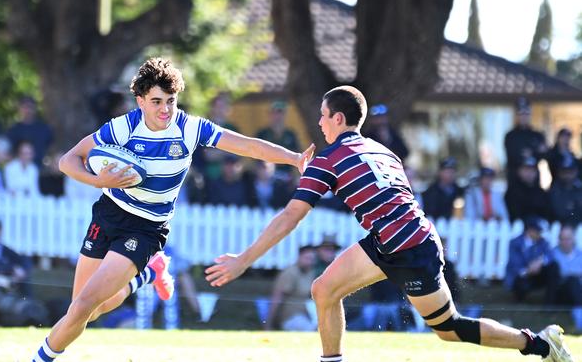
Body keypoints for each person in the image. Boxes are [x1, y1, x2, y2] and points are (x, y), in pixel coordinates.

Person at [205, 86, 573, 362]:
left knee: (450, 329)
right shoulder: (382, 150)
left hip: (409, 249)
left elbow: (290, 217)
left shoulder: (329, 159)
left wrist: (243, 259)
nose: (318, 121)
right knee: (324, 290)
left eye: (322, 114)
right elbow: (393, 199)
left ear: (338, 118)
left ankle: (540, 344)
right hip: (396, 240)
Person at [30, 57, 314, 361]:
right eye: (156, 101)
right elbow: (67, 161)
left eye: (171, 100)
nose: (165, 109)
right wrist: (98, 180)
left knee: (84, 305)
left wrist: (295, 158)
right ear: (140, 101)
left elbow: (246, 145)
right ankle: (148, 274)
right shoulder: (123, 127)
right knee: (83, 309)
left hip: (146, 228)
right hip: (108, 213)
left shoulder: (189, 128)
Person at [504, 216, 559, 304]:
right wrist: (528, 270)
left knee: (553, 266)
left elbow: (551, 255)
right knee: (521, 284)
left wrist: (540, 262)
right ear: (530, 230)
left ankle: (550, 302)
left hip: (536, 275)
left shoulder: (542, 242)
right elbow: (516, 266)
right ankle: (519, 298)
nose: (540, 234)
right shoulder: (515, 243)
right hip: (521, 277)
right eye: (538, 231)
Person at [264, 245, 317, 331]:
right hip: (290, 318)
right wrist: (268, 324)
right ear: (299, 257)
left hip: (307, 315)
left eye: (312, 259)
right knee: (311, 330)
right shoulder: (290, 273)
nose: (310, 262)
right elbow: (277, 298)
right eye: (307, 258)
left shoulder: (310, 273)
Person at [504, 97, 547, 187]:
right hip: (515, 184)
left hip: (534, 184)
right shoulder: (510, 136)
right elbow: (513, 156)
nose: (524, 117)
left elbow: (544, 153)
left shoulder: (537, 135)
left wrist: (532, 152)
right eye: (521, 114)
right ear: (517, 115)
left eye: (526, 113)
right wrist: (535, 151)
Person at [7, 96, 54, 167]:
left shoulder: (44, 128)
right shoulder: (14, 129)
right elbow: (10, 152)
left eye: (30, 107)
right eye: (25, 107)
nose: (28, 110)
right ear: (19, 109)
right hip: (20, 169)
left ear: (35, 109)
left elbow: (51, 148)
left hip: (41, 168)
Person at [505, 156, 551, 223]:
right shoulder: (512, 192)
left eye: (532, 170)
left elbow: (547, 214)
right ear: (519, 171)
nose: (529, 173)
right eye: (526, 169)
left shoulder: (541, 193)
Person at [551, 224, 582, 306]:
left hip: (579, 289)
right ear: (559, 240)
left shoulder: (580, 254)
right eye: (563, 239)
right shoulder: (553, 254)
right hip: (563, 291)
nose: (566, 242)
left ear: (573, 239)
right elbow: (559, 274)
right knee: (573, 281)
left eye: (568, 239)